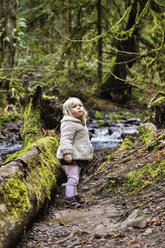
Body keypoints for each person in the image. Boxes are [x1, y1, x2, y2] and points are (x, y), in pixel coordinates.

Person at [56, 97, 93, 207]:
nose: (78, 108)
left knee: (75, 177)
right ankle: (69, 200)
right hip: (70, 156)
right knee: (73, 178)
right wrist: (67, 152)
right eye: (74, 107)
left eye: (80, 106)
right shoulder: (68, 123)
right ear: (68, 111)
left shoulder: (79, 122)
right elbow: (65, 139)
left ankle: (75, 196)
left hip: (78, 155)